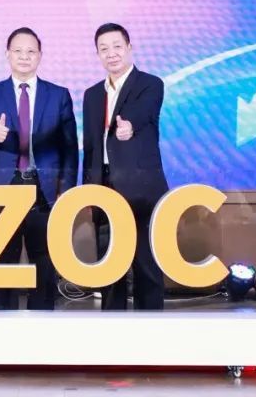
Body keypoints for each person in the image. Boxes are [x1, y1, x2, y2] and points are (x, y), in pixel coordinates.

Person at [0, 27, 78, 310]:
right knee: (3, 258)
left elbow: (69, 148)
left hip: (44, 189)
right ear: (7, 54)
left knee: (43, 259)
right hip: (3, 187)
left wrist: (66, 190)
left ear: (40, 56)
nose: (24, 56)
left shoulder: (58, 95)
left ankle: (42, 322)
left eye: (31, 51)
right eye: (18, 51)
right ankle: (3, 323)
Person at [82, 22, 168, 310]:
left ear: (129, 48)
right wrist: (88, 189)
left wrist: (128, 126)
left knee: (146, 263)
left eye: (117, 46)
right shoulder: (92, 95)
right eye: (104, 49)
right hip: (104, 186)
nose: (111, 54)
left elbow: (142, 114)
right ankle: (111, 326)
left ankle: (151, 326)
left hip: (141, 188)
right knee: (109, 266)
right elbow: (91, 147)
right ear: (97, 54)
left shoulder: (150, 84)